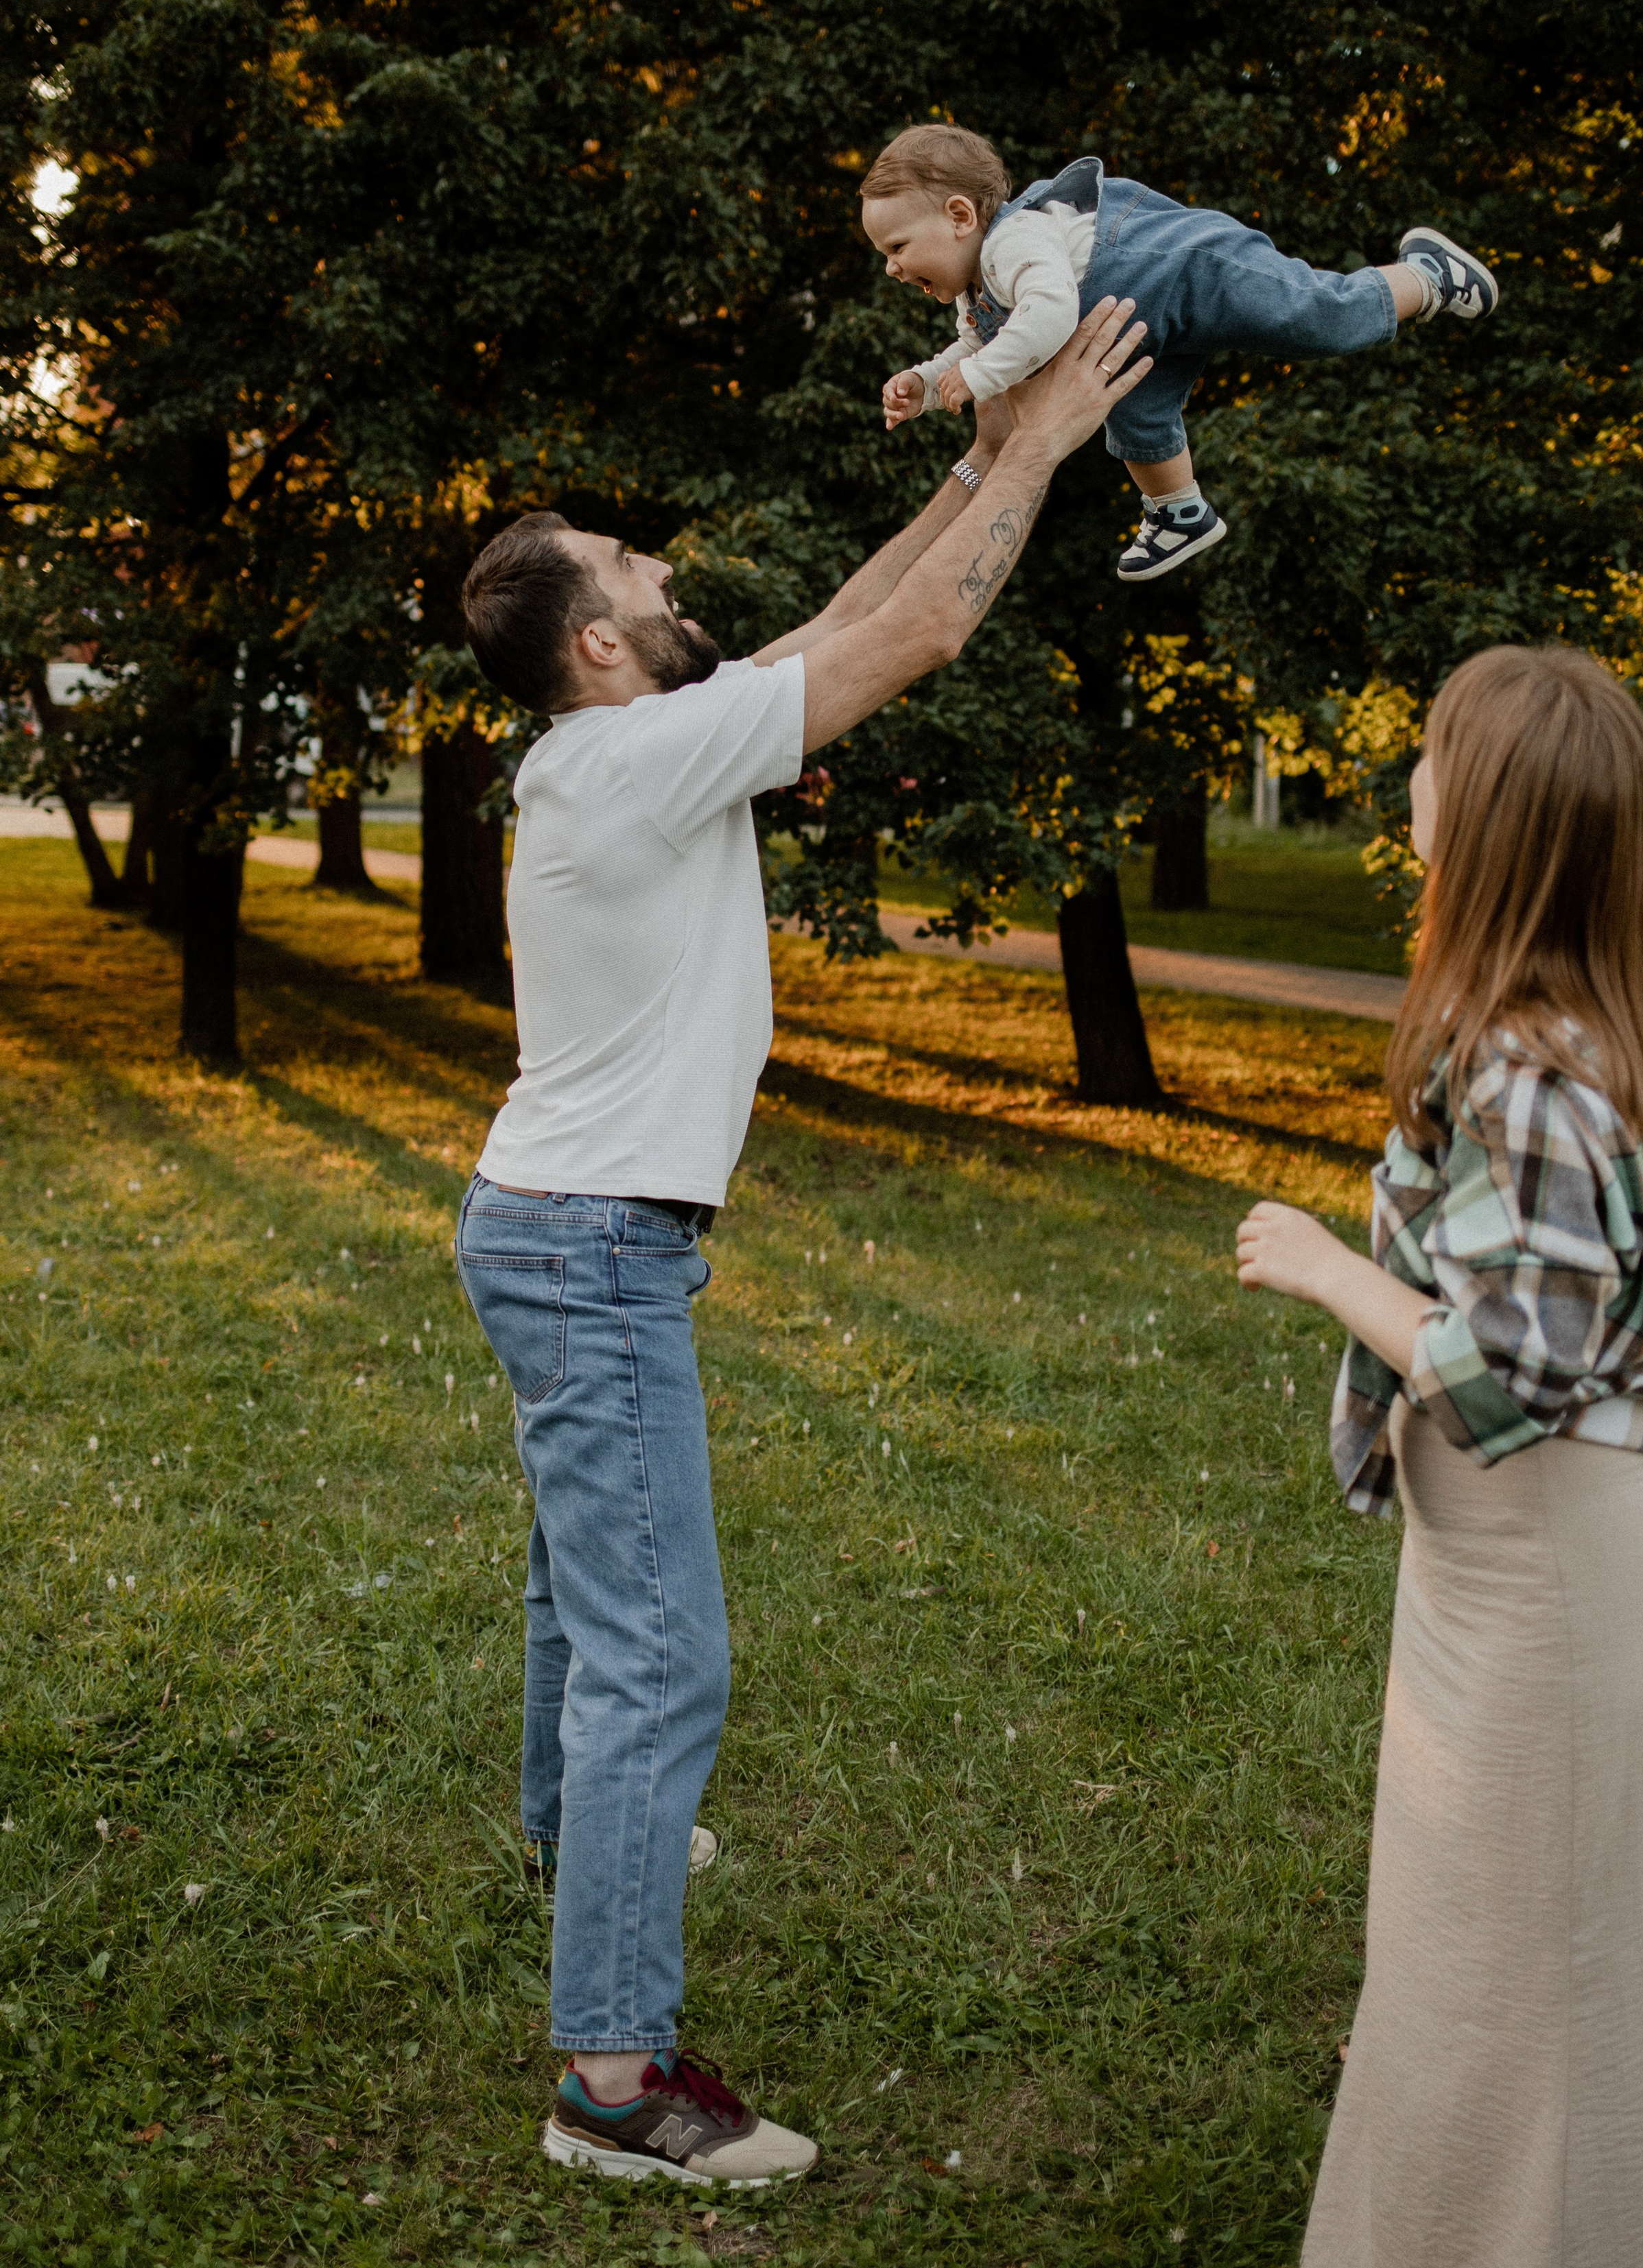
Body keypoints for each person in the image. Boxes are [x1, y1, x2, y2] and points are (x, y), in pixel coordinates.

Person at [451, 300, 1153, 2191]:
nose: (670, 568)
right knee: (659, 1657)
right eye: (637, 567)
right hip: (588, 1245)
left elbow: (845, 621)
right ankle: (615, 2085)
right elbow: (920, 640)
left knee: (577, 1603)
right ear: (600, 639)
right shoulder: (630, 760)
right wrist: (1046, 452)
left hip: (553, 1225)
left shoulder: (637, 743)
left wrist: (970, 455)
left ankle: (574, 1840)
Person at [1235, 645, 1643, 2268]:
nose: (1410, 776)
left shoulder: (1529, 1074)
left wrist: (1320, 1263)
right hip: (1503, 1575)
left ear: (1489, 817)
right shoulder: (1532, 1039)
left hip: (1556, 1591)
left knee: (1525, 1999)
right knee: (1470, 1977)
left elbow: (1508, 1361)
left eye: (1431, 751)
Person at [861, 121, 1498, 584]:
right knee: (1134, 409)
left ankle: (1428, 276)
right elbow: (978, 342)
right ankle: (1179, 512)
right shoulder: (977, 292)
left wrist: (976, 374)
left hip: (1190, 266)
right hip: (1140, 325)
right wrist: (925, 382)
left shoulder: (1014, 242)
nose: (891, 268)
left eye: (897, 246)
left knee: (1316, 317)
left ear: (960, 215)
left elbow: (1050, 314)